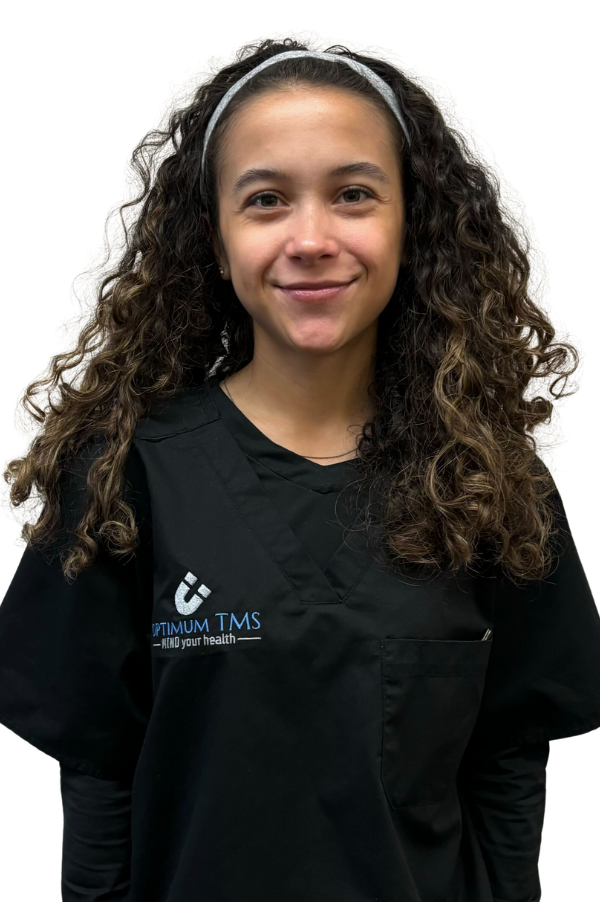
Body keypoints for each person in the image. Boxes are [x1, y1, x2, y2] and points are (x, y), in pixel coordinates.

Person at [0, 33, 598, 902]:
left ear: (411, 221)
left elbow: (510, 772)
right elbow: (99, 783)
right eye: (267, 200)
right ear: (215, 238)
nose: (311, 238)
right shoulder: (121, 476)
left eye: (354, 194)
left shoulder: (487, 483)